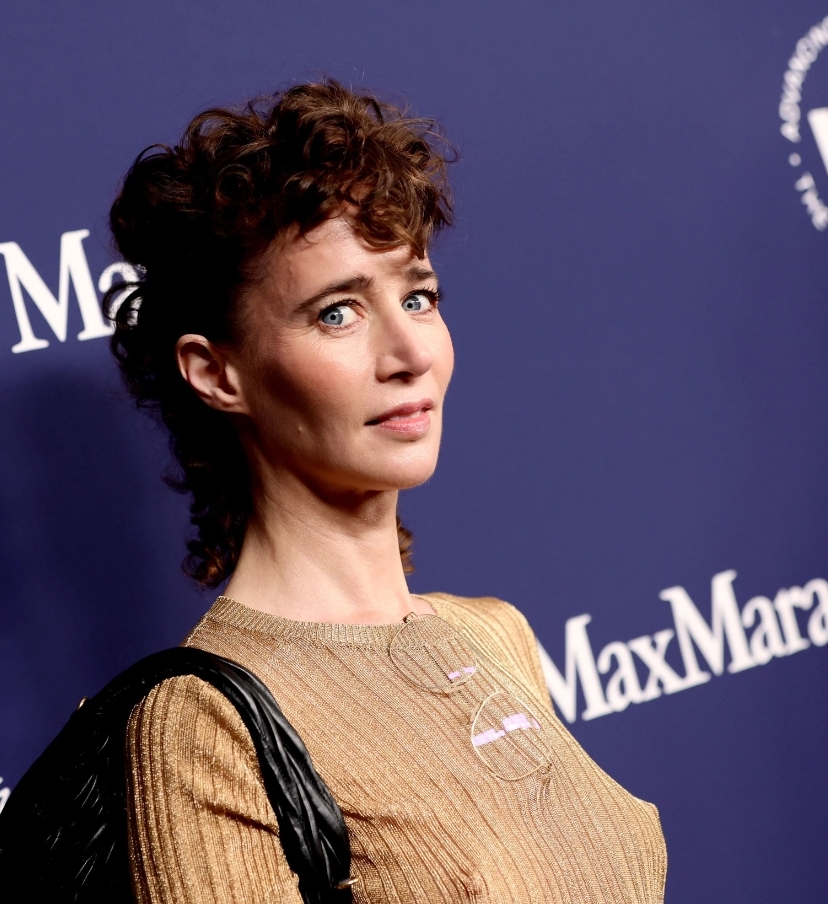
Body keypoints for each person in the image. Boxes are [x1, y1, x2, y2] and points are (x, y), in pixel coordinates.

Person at [103, 80, 666, 904]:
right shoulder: (203, 723)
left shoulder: (494, 633)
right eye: (337, 313)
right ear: (217, 374)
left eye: (417, 297)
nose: (411, 353)